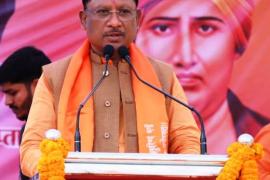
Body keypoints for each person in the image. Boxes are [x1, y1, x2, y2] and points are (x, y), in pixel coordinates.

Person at [20, 0, 200, 177]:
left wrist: (188, 169)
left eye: (124, 12)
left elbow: (186, 140)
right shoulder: (56, 76)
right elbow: (32, 146)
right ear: (84, 19)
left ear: (137, 19)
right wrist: (48, 170)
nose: (115, 22)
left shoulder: (162, 76)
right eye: (103, 12)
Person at [136, 0, 270, 154]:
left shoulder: (265, 141)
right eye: (162, 28)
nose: (185, 58)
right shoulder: (112, 131)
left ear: (238, 43)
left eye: (205, 28)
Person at [0, 46, 51, 179]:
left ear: (37, 85)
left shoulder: (67, 124)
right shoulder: (27, 129)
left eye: (13, 93)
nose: (7, 102)